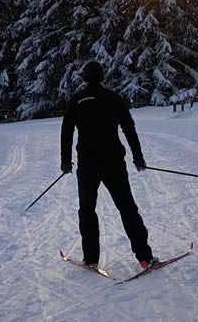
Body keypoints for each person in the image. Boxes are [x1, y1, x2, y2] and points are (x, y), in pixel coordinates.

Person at [60, 60, 159, 270]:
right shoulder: (114, 98)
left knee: (87, 210)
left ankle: (91, 259)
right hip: (113, 162)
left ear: (84, 78)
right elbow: (129, 129)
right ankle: (144, 257)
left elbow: (66, 133)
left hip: (87, 165)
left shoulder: (76, 101)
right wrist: (138, 158)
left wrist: (66, 161)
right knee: (127, 207)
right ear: (102, 77)